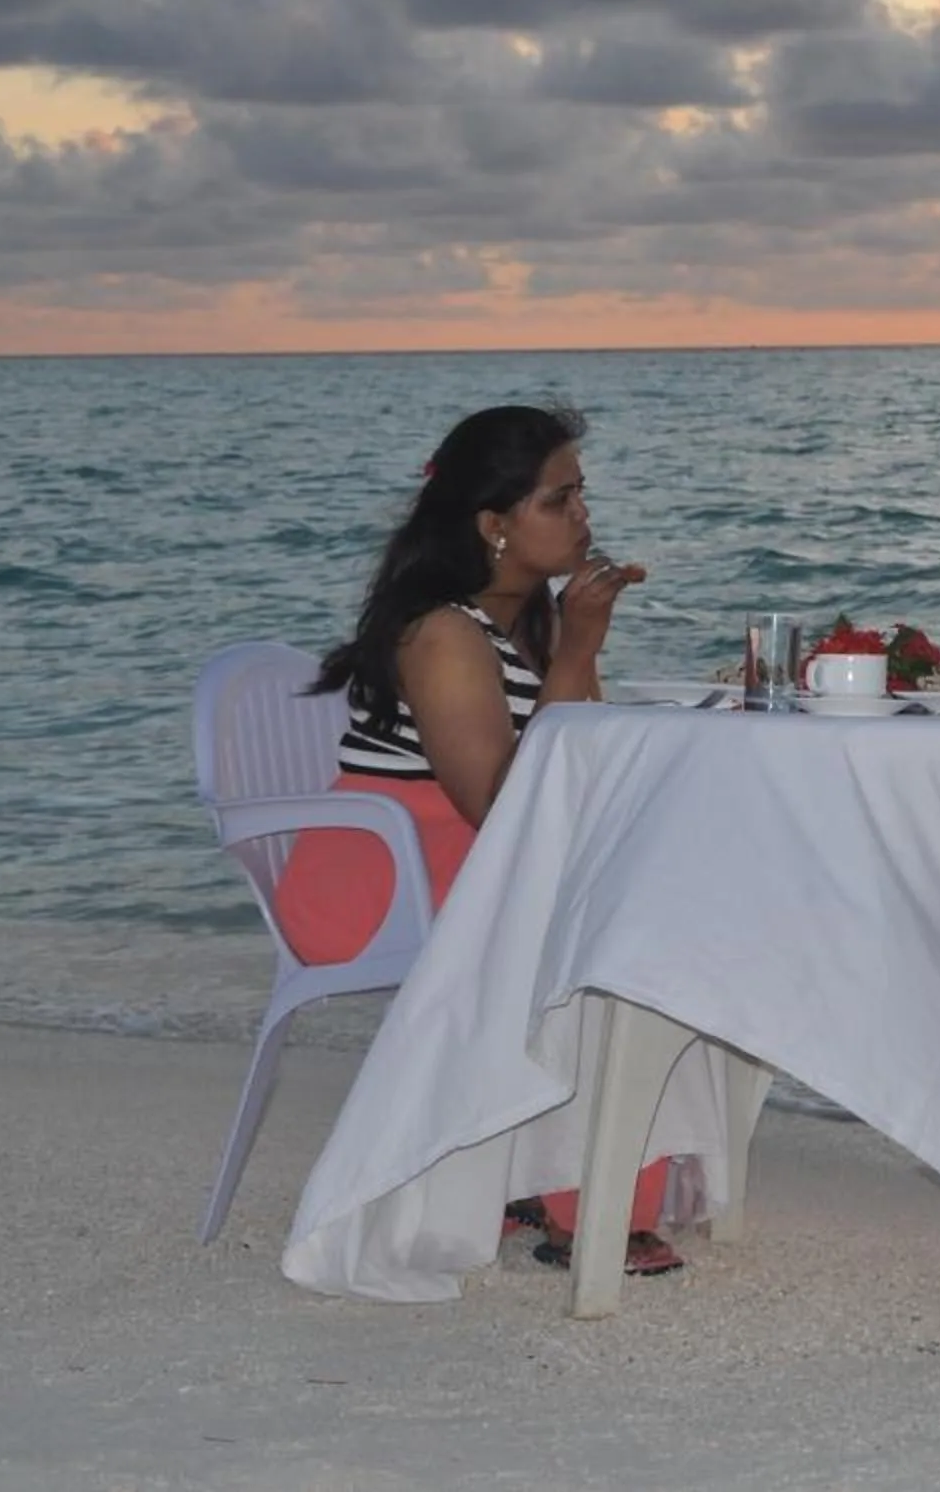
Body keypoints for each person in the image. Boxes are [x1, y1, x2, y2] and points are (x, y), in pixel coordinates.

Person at [285, 403, 683, 1276]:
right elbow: (508, 804)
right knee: (612, 927)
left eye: (582, 495)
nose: (584, 516)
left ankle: (569, 1175)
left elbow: (573, 775)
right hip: (381, 875)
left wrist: (573, 649)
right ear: (494, 525)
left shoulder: (524, 620)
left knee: (659, 894)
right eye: (560, 500)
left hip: (465, 856)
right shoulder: (443, 633)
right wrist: (580, 649)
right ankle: (590, 1200)